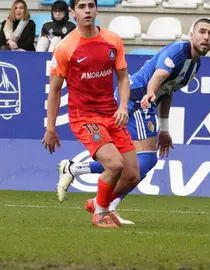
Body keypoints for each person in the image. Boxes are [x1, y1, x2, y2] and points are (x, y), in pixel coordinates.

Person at [55, 18, 210, 225]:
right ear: (191, 35)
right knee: (146, 159)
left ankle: (80, 175)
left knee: (131, 163)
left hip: (143, 101)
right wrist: (149, 95)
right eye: (202, 31)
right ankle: (101, 203)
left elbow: (167, 92)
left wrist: (164, 129)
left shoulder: (195, 65)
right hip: (135, 99)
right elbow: (157, 78)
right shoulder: (178, 51)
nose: (206, 37)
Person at [42, 0, 140, 228]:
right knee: (115, 165)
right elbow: (55, 90)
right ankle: (101, 213)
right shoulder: (65, 48)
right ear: (73, 12)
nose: (87, 10)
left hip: (111, 114)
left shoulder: (112, 40)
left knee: (132, 175)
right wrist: (50, 128)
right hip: (84, 117)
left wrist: (123, 106)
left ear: (96, 9)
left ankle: (98, 202)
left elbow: (124, 77)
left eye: (91, 5)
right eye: (82, 6)